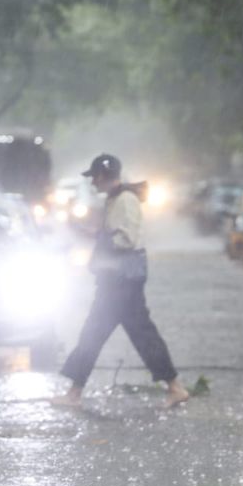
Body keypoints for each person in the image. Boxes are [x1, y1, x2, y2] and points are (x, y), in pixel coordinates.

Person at [55, 154, 189, 409]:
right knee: (117, 333)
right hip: (116, 280)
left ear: (104, 176)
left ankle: (174, 386)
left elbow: (126, 240)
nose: (93, 183)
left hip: (122, 282)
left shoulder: (125, 200)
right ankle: (173, 386)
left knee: (107, 334)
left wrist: (103, 240)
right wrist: (93, 233)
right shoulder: (116, 199)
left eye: (94, 177)